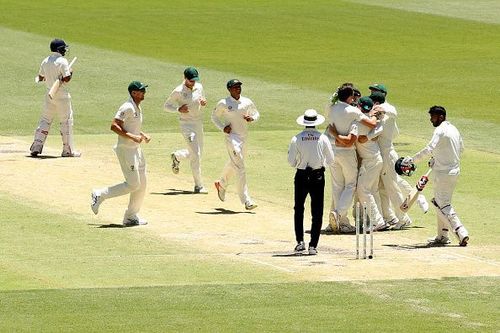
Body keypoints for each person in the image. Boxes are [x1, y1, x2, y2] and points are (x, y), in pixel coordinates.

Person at [402, 106, 469, 246]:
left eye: (433, 116)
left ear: (441, 117)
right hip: (454, 172)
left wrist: (412, 160)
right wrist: (437, 158)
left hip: (443, 174)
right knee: (442, 202)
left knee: (441, 204)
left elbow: (429, 148)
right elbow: (460, 148)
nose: (431, 119)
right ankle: (442, 236)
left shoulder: (439, 130)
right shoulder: (454, 129)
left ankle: (461, 232)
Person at [91, 81, 151, 226]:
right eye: (140, 91)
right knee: (133, 184)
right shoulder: (127, 107)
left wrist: (141, 135)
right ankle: (100, 194)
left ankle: (131, 216)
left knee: (142, 183)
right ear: (133, 93)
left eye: (143, 90)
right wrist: (132, 137)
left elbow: (130, 127)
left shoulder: (137, 107)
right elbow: (114, 125)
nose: (143, 92)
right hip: (126, 150)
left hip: (136, 150)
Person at [325, 85, 379, 234]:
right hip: (346, 153)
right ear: (350, 97)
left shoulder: (332, 108)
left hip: (332, 151)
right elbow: (372, 124)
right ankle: (338, 214)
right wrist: (373, 113)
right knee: (350, 185)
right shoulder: (353, 111)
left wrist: (335, 134)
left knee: (337, 186)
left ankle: (342, 223)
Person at [288, 109, 334, 255]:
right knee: (317, 211)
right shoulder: (323, 138)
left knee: (299, 209)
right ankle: (313, 245)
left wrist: (300, 165)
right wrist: (320, 167)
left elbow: (291, 161)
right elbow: (331, 159)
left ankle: (300, 242)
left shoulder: (297, 138)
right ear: (315, 122)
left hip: (302, 175)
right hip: (318, 175)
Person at [212, 79, 259, 210]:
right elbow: (214, 117)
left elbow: (256, 113)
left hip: (244, 138)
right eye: (235, 87)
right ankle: (246, 200)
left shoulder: (247, 101)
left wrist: (252, 118)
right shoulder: (224, 103)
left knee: (234, 163)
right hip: (231, 138)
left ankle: (221, 184)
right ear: (229, 89)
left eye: (239, 86)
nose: (238, 88)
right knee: (240, 167)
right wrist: (222, 128)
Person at [30, 38, 80, 157]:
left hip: (49, 95)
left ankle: (36, 146)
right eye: (63, 48)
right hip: (62, 96)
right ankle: (67, 150)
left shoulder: (45, 61)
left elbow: (41, 77)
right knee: (66, 121)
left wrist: (50, 76)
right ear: (59, 49)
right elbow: (66, 79)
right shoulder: (63, 61)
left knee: (45, 120)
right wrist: (70, 72)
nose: (64, 50)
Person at [164, 67, 208, 193]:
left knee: (197, 152)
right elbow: (166, 106)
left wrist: (203, 102)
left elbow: (201, 100)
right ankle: (198, 185)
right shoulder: (178, 91)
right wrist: (178, 109)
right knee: (196, 155)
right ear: (185, 78)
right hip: (187, 125)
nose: (193, 82)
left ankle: (177, 156)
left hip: (198, 123)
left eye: (194, 80)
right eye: (190, 80)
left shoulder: (199, 87)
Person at [354, 97, 387, 231]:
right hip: (375, 159)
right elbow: (379, 126)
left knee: (363, 191)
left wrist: (367, 137)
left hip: (370, 161)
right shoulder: (369, 120)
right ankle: (379, 220)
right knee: (372, 191)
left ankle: (377, 221)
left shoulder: (360, 122)